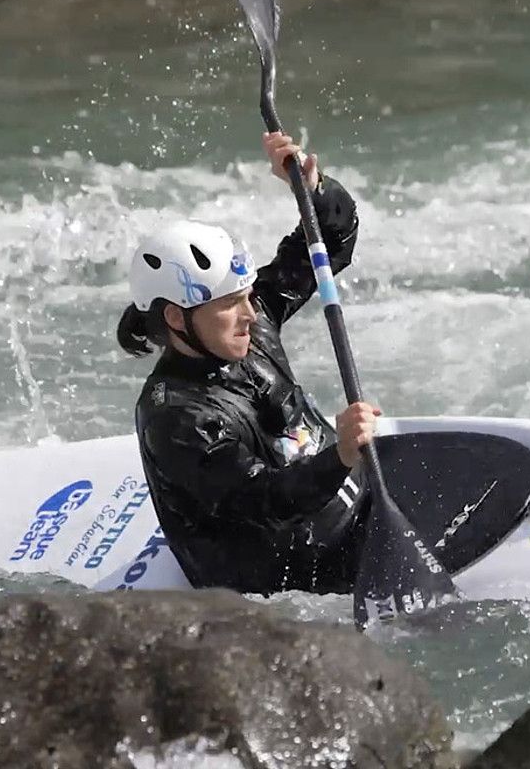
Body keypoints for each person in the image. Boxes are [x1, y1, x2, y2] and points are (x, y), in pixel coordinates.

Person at [116, 132, 379, 595]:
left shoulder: (248, 327)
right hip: (289, 578)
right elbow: (264, 501)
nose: (251, 314)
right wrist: (339, 456)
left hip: (346, 507)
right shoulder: (176, 416)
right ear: (176, 318)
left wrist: (310, 188)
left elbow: (328, 244)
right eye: (230, 303)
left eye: (247, 296)